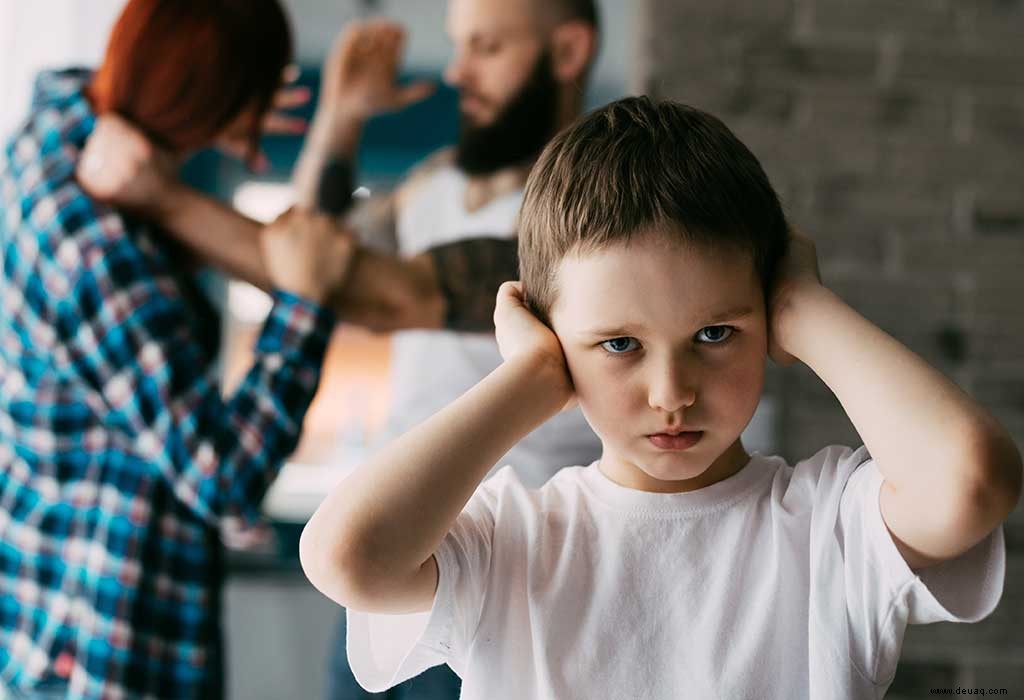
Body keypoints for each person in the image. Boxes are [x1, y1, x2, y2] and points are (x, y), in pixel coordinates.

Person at [298, 97, 1021, 699]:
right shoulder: (512, 538)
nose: (672, 393)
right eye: (619, 344)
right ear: (551, 339)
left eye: (714, 332)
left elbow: (973, 481)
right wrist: (528, 382)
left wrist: (804, 308)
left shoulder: (829, 524)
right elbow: (345, 559)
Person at [78, 2, 605, 697]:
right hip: (389, 559)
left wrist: (157, 195)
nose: (456, 70)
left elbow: (379, 294)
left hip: (515, 581)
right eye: (458, 46)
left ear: (567, 51)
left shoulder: (591, 215)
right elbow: (307, 251)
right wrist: (342, 113)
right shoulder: (434, 183)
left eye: (487, 48)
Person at [0, 1, 356, 698]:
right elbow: (225, 478)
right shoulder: (96, 250)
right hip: (102, 635)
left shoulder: (52, 132)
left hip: (46, 607)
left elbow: (69, 87)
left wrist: (217, 103)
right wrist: (305, 310)